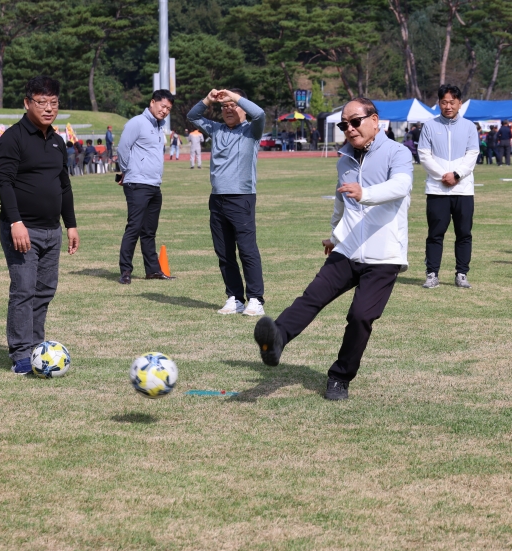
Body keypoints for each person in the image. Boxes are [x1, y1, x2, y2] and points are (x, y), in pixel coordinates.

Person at [252, 97, 412, 401]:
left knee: (361, 317)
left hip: (384, 255)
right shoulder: (344, 159)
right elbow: (342, 202)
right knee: (312, 296)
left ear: (375, 121)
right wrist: (335, 237)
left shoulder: (398, 153)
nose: (349, 129)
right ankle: (277, 340)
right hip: (348, 248)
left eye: (355, 122)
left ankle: (340, 378)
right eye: (344, 124)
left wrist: (365, 193)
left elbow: (400, 187)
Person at [0, 76, 80, 374]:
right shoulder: (12, 138)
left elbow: (64, 185)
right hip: (22, 229)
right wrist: (16, 221)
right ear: (27, 102)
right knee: (24, 290)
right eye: (41, 102)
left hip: (51, 230)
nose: (48, 108)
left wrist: (70, 225)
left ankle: (36, 347)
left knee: (44, 291)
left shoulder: (57, 140)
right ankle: (20, 353)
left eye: (53, 103)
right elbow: (4, 183)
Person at [188, 88, 267, 315]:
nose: (228, 110)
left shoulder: (251, 130)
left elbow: (260, 114)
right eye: (224, 107)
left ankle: (255, 299)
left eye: (233, 106)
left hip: (241, 197)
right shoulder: (216, 129)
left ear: (242, 107)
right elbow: (193, 117)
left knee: (247, 250)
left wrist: (235, 97)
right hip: (217, 198)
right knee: (224, 252)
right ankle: (234, 297)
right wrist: (208, 100)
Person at [418, 84, 480, 289]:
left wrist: (457, 175)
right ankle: (432, 274)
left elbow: (472, 155)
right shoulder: (429, 126)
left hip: (463, 189)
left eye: (452, 102)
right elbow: (424, 155)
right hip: (437, 189)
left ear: (459, 103)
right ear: (438, 103)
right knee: (435, 233)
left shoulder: (470, 127)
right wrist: (442, 176)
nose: (448, 106)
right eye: (444, 102)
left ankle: (462, 273)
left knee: (464, 233)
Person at [117, 89, 176, 284]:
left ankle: (153, 270)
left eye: (168, 108)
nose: (165, 111)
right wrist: (126, 171)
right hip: (137, 183)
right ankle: (125, 270)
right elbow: (123, 148)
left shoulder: (159, 127)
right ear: (152, 102)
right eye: (163, 106)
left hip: (154, 184)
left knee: (149, 230)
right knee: (134, 227)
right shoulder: (137, 123)